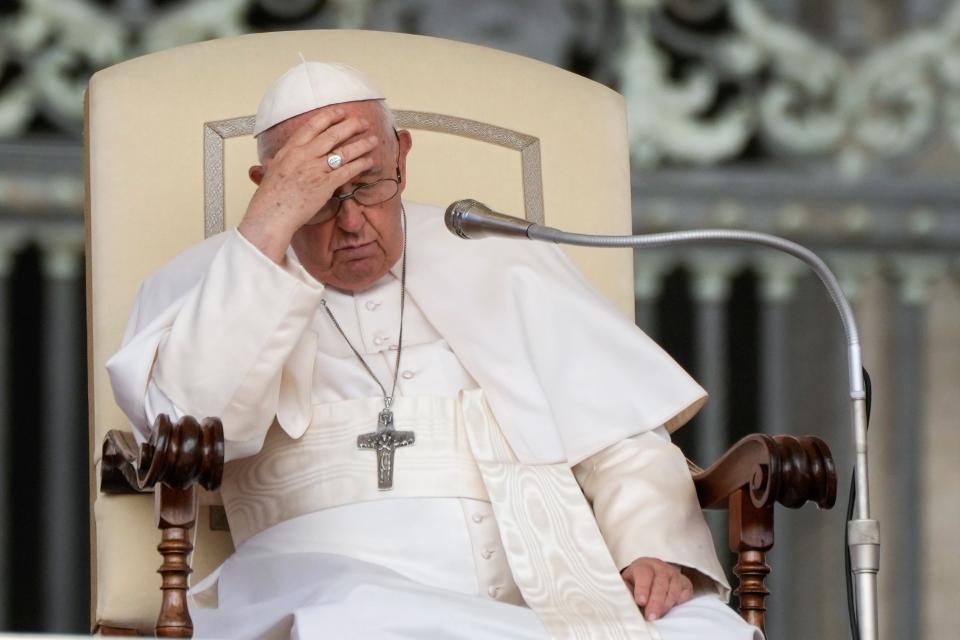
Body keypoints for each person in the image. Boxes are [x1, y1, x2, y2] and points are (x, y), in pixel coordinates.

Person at [107, 61, 761, 639]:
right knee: (364, 618)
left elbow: (622, 439)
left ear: (404, 156)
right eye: (319, 199)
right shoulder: (203, 283)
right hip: (324, 583)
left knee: (701, 631)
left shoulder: (498, 256)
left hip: (548, 589)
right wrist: (270, 225)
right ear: (265, 182)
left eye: (369, 185)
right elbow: (192, 426)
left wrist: (651, 551)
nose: (354, 221)